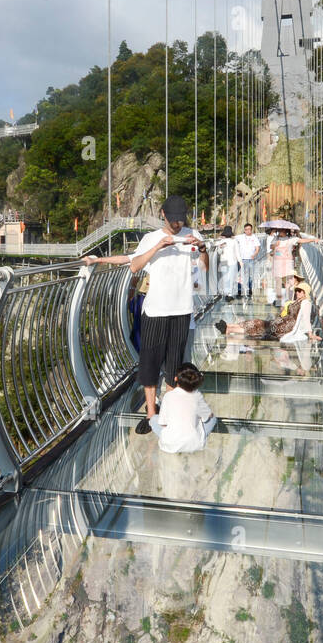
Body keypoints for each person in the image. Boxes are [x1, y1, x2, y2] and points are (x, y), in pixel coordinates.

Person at [84, 194, 206, 433]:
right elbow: (133, 264)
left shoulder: (193, 235)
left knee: (174, 366)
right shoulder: (152, 238)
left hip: (182, 310)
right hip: (155, 310)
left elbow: (204, 269)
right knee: (149, 364)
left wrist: (203, 249)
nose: (177, 224)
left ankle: (167, 412)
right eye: (173, 219)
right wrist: (159, 246)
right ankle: (151, 414)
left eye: (181, 220)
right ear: (163, 215)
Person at [215, 281, 319, 342]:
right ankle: (229, 326)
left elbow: (306, 319)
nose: (297, 293)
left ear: (305, 293)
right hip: (281, 323)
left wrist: (310, 334)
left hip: (284, 328)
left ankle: (230, 329)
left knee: (259, 327)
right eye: (297, 291)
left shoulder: (306, 303)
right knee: (257, 322)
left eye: (300, 291)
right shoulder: (298, 300)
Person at [149, 362, 217, 453]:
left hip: (170, 445)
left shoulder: (168, 396)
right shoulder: (197, 396)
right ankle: (194, 438)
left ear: (176, 378)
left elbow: (163, 423)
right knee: (213, 419)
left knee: (153, 419)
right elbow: (207, 418)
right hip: (195, 444)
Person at [236, 223, 261, 298]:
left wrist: (254, 254)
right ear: (244, 230)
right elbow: (232, 237)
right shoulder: (240, 237)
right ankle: (239, 291)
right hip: (242, 260)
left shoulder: (254, 237)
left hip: (251, 260)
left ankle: (250, 290)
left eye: (249, 229)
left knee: (250, 276)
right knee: (240, 276)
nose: (248, 231)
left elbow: (257, 248)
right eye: (246, 229)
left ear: (251, 229)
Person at [217, 225, 240, 299]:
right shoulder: (223, 242)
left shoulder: (232, 241)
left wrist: (220, 247)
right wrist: (240, 261)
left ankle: (228, 293)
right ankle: (229, 293)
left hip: (226, 261)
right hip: (229, 261)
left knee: (226, 278)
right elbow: (237, 252)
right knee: (229, 278)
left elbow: (219, 252)